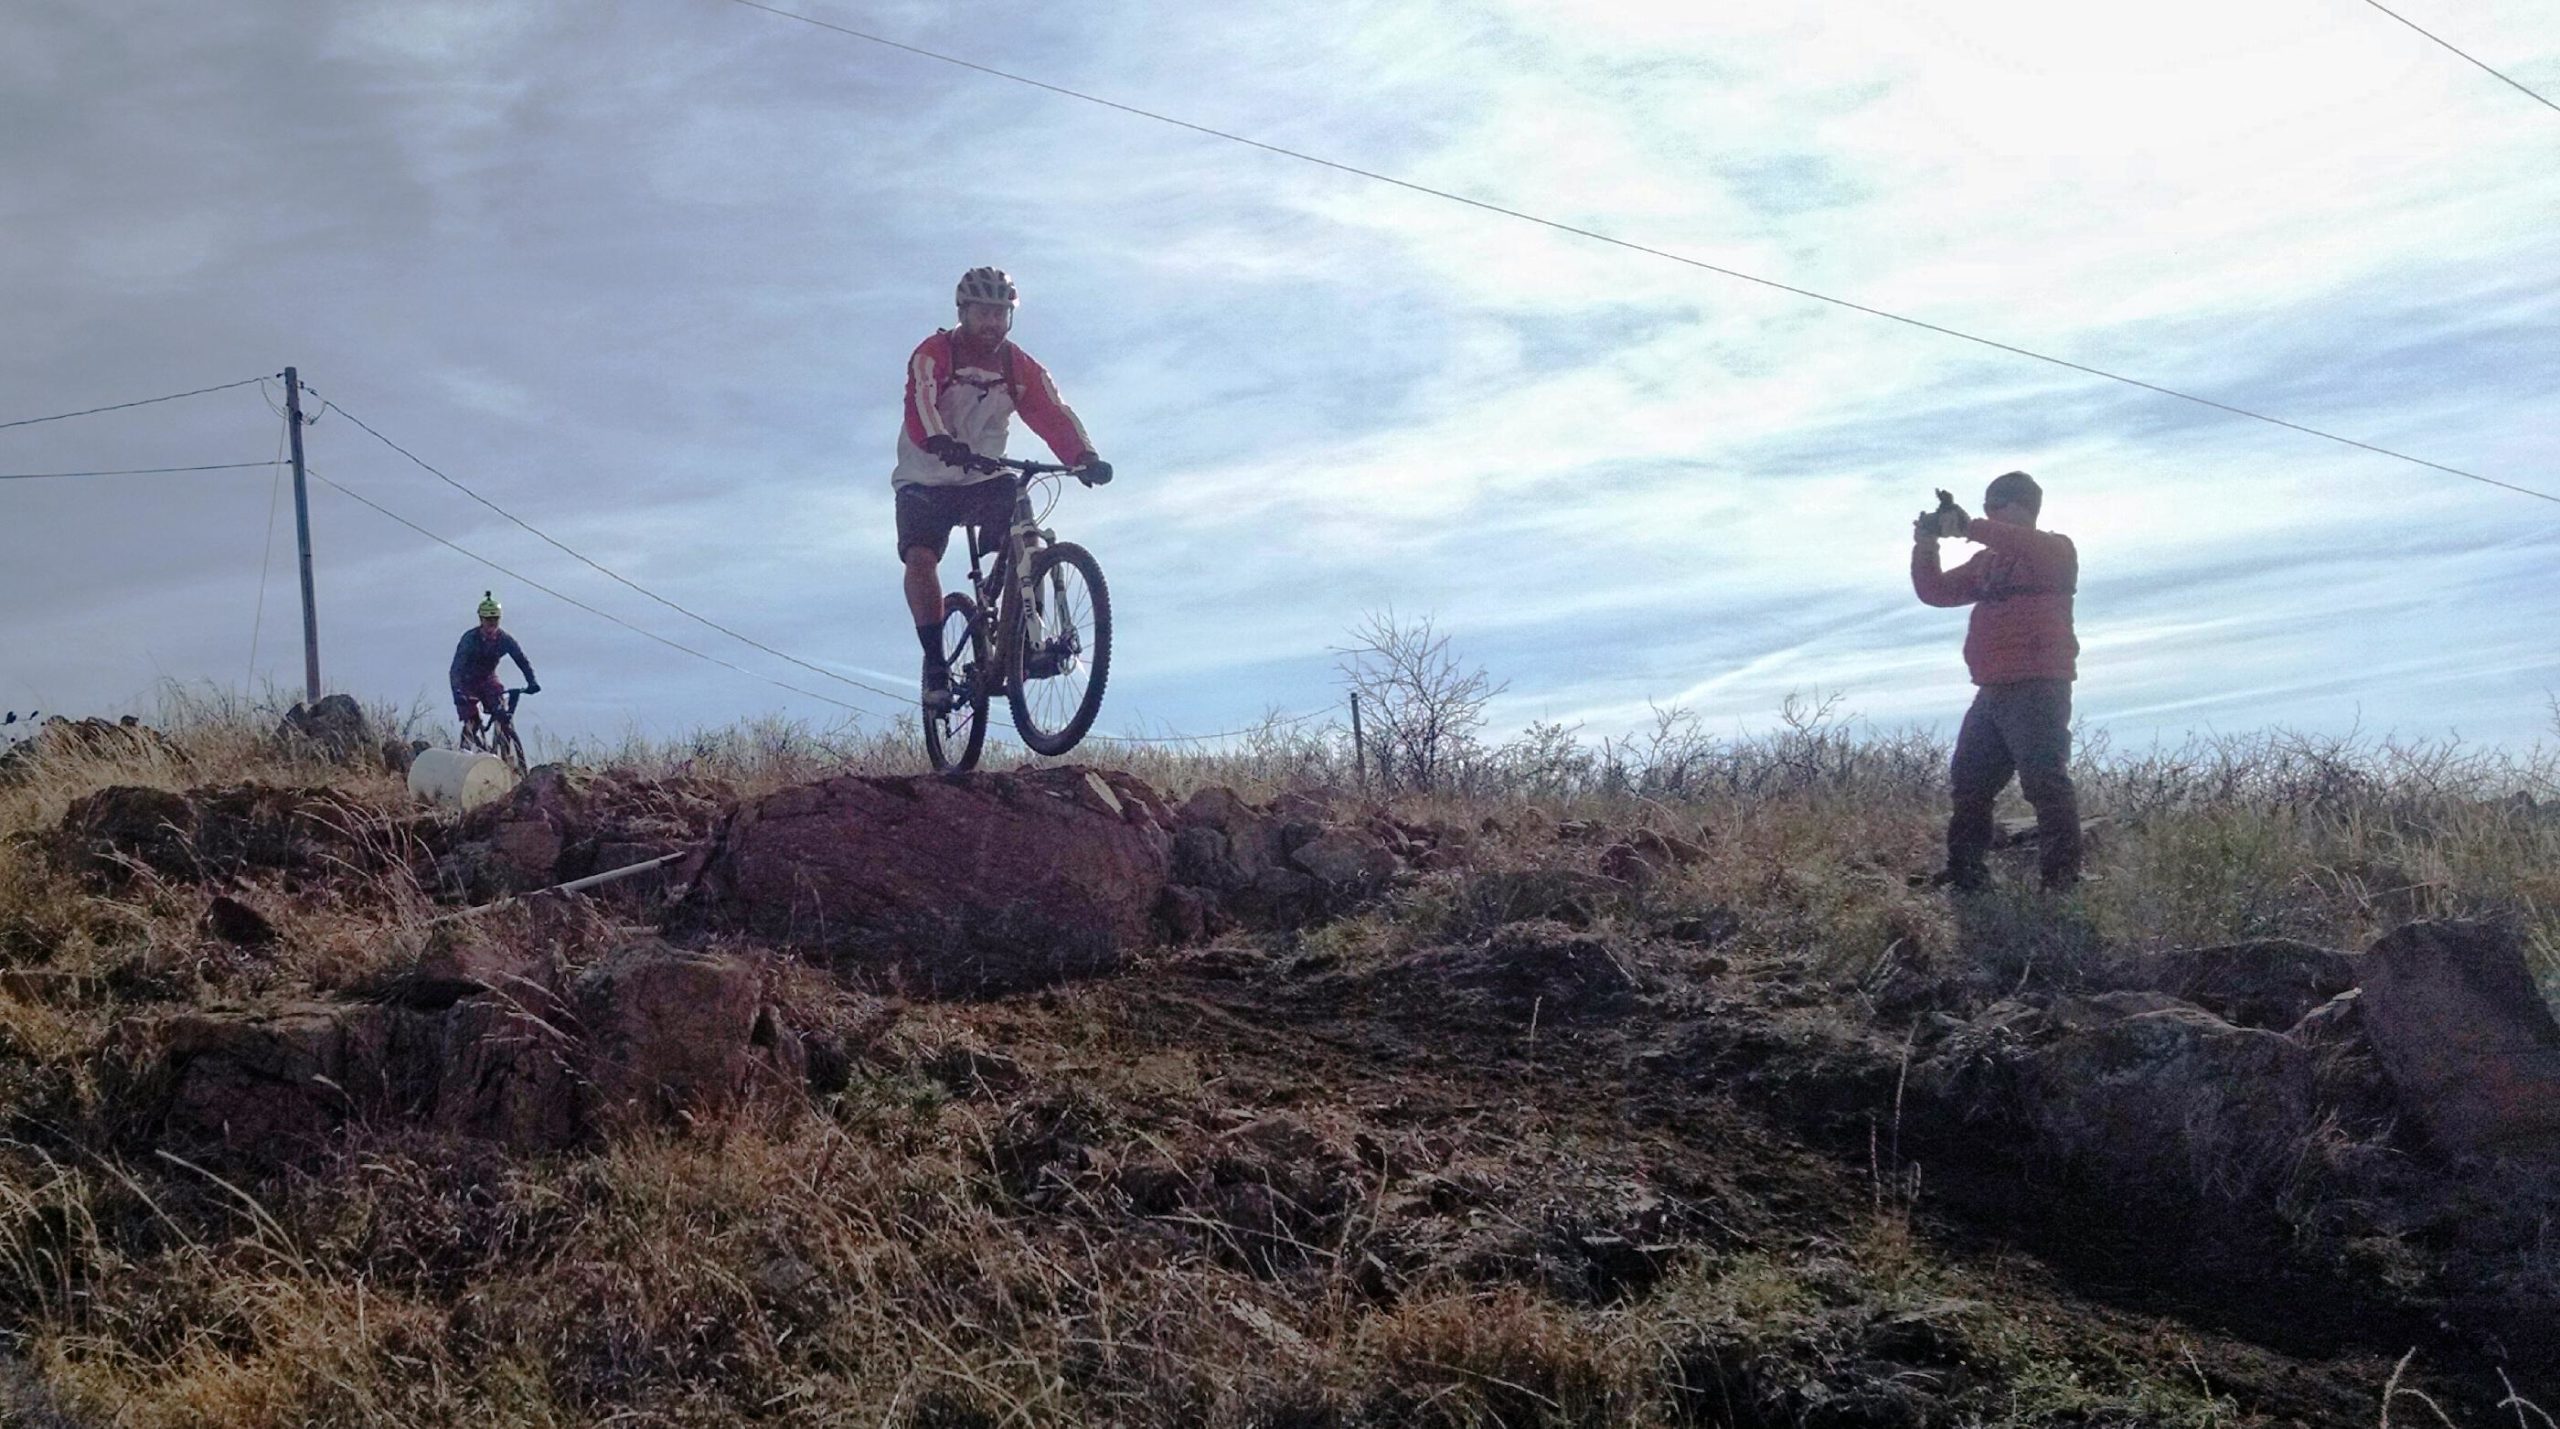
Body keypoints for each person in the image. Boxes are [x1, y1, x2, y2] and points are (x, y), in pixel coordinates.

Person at [894, 266, 1112, 710]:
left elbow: (1051, 412)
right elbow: (921, 401)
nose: (993, 323)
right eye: (984, 313)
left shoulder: (1018, 366)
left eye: (1001, 314)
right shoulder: (934, 353)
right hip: (925, 475)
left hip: (986, 475)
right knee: (920, 558)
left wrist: (1083, 458)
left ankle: (1025, 642)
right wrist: (940, 441)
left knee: (1025, 535)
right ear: (963, 312)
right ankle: (936, 664)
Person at [1911, 470, 2082, 891]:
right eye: (1986, 503)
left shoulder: (2054, 550)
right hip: (1991, 689)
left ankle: (2061, 881)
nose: (1989, 509)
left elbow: (2018, 541)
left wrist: (1968, 526)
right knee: (1969, 782)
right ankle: (1966, 873)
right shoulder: (1986, 561)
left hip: (2039, 684)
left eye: (1997, 502)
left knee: (2044, 782)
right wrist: (1925, 544)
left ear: (2024, 506)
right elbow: (1935, 592)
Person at [450, 591, 538, 740]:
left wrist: (532, 681)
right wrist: (457, 691)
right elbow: (456, 668)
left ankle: (504, 741)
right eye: (488, 619)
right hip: (466, 682)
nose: (492, 623)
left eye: (495, 619)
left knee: (502, 713)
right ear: (481, 620)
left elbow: (521, 660)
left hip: (488, 679)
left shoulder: (505, 639)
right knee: (472, 720)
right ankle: (467, 746)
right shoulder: (470, 639)